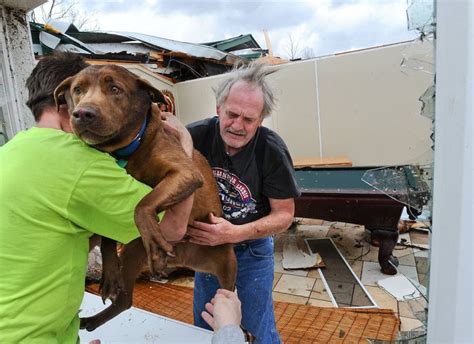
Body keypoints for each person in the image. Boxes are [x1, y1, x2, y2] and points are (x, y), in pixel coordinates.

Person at [0, 52, 194, 343]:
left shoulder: (10, 150)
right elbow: (174, 227)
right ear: (66, 101)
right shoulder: (79, 163)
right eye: (83, 91)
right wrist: (184, 146)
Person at [178, 63, 300, 344]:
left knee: (256, 326)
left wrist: (233, 233)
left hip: (252, 250)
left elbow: (284, 216)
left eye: (249, 119)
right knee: (207, 322)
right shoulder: (193, 138)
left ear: (261, 120)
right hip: (207, 247)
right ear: (219, 108)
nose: (237, 125)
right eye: (232, 114)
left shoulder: (271, 150)